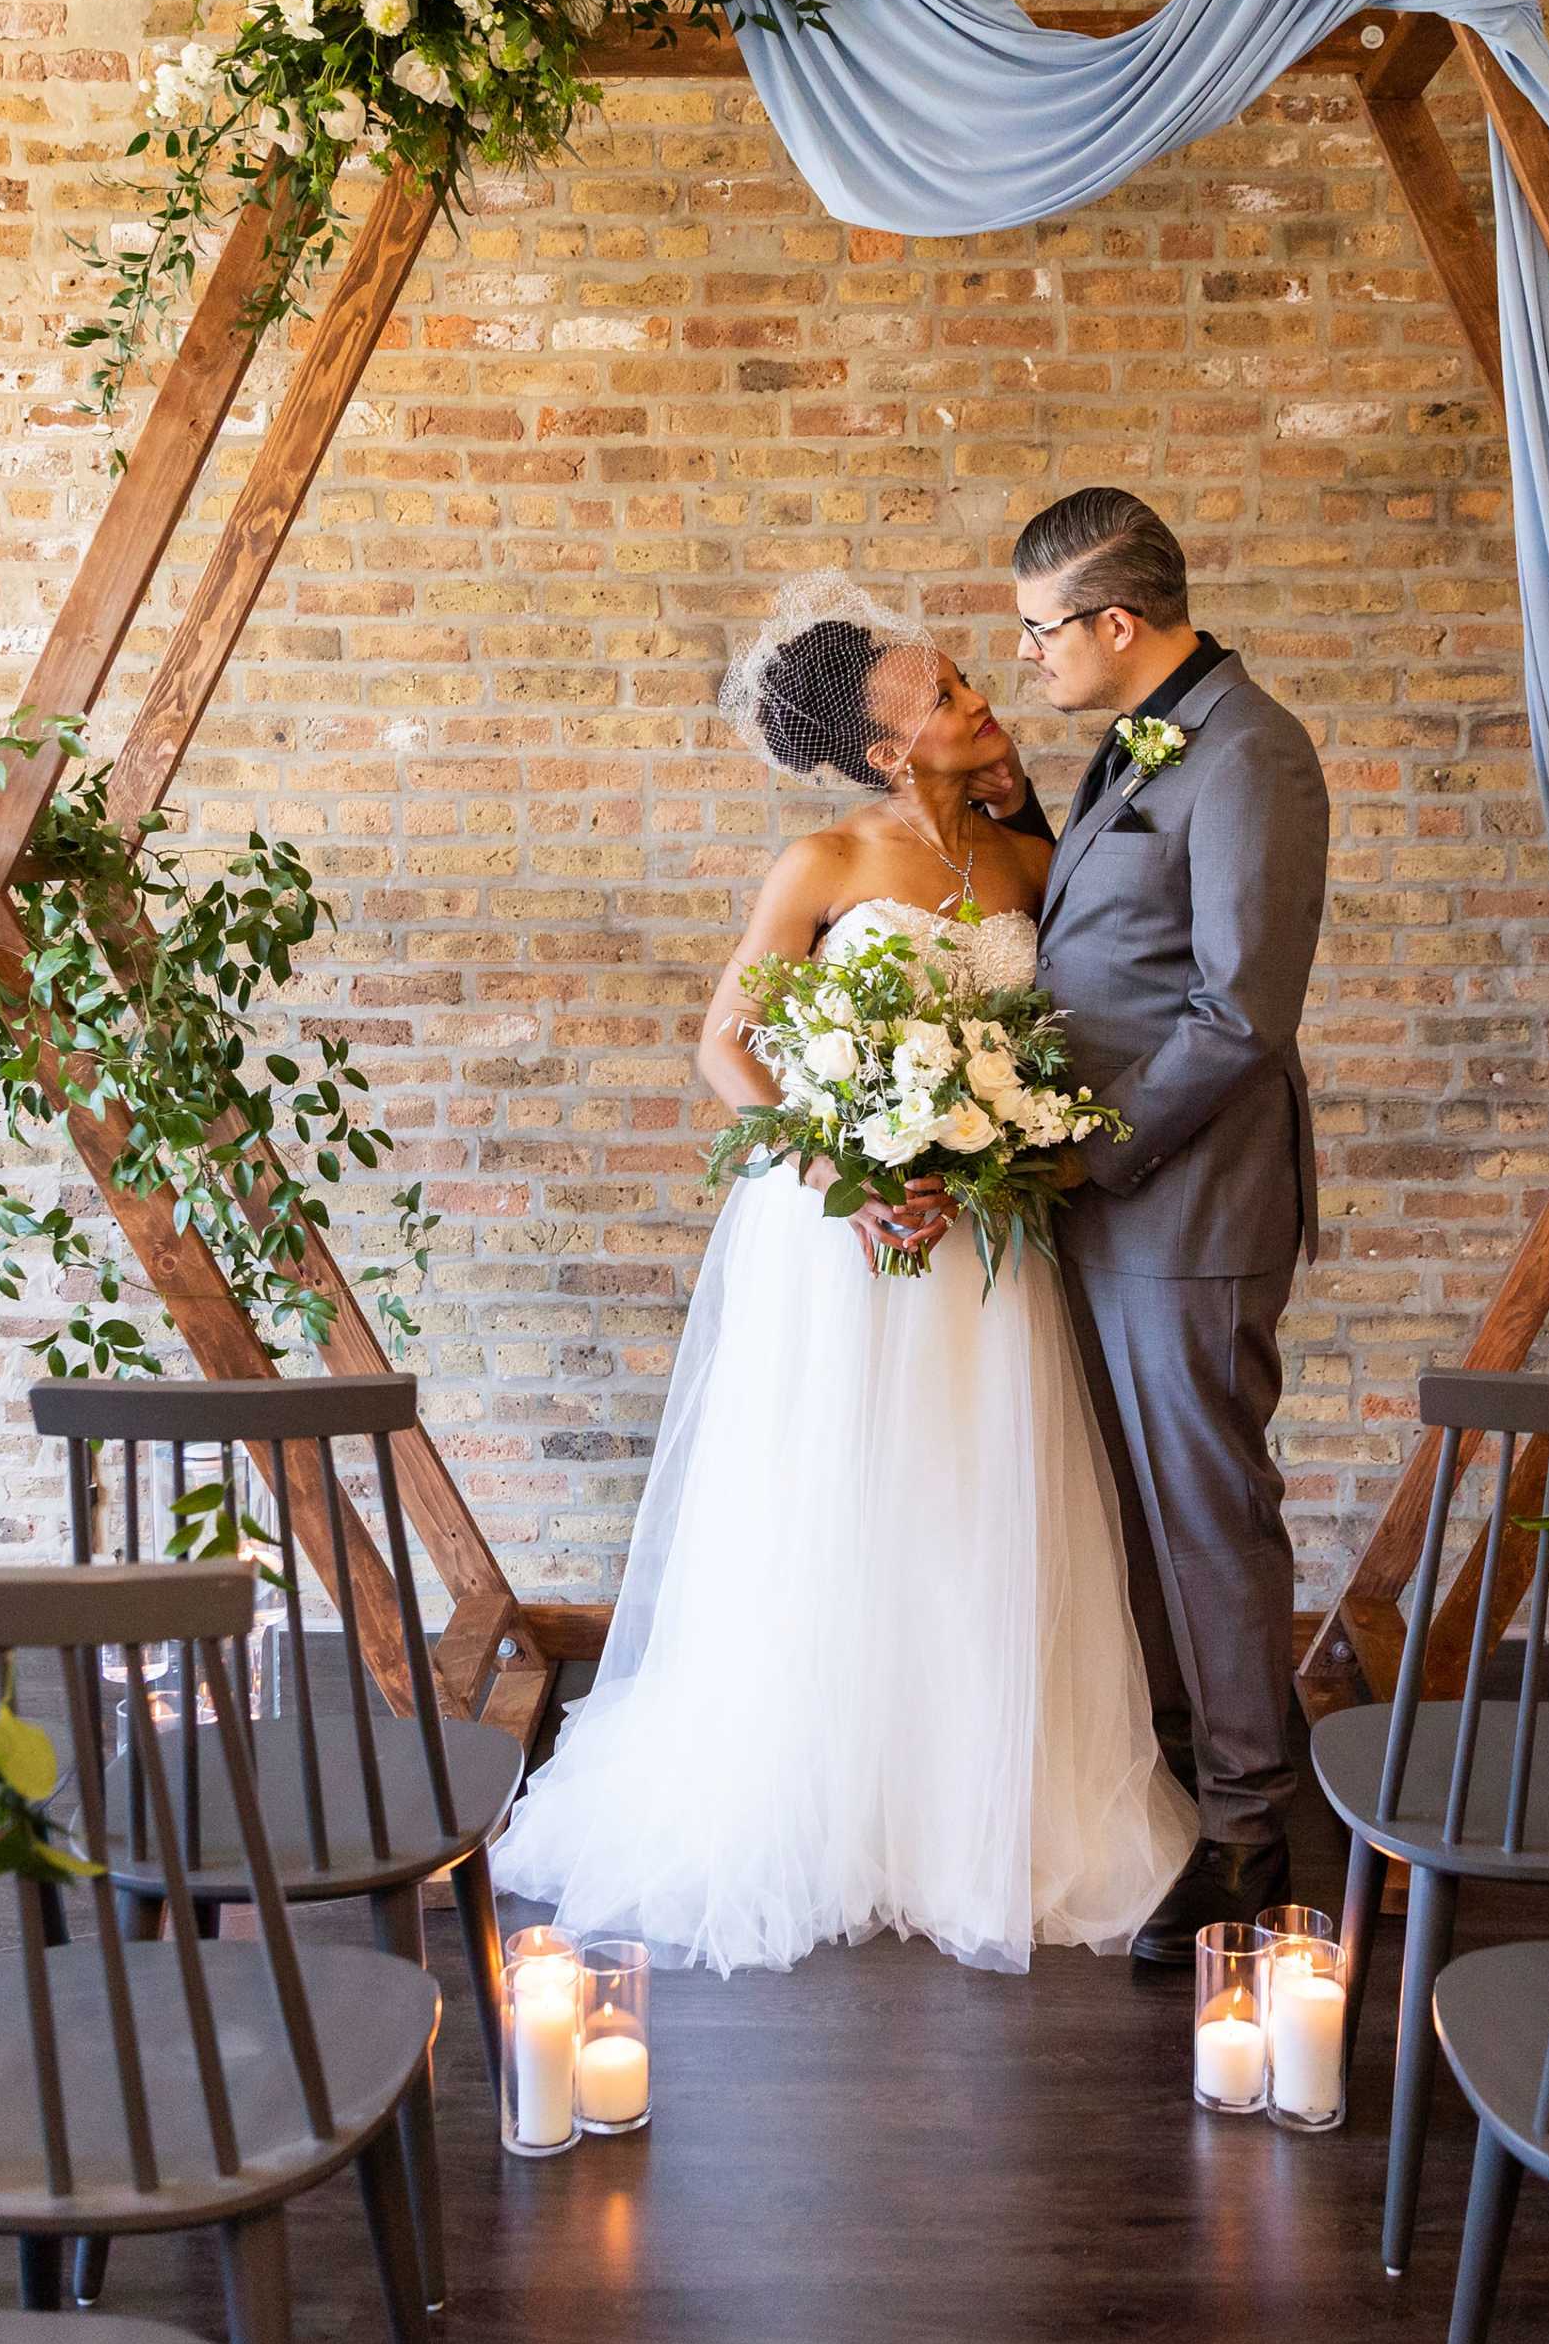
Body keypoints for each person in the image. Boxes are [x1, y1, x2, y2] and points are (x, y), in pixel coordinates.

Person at [487, 576, 1197, 1973]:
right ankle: (811, 1801)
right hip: (842, 1239)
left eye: (968, 683)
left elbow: (1074, 1030)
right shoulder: (821, 865)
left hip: (980, 1244)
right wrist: (840, 1179)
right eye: (946, 695)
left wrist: (1008, 1136)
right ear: (886, 752)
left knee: (970, 1495)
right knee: (827, 1500)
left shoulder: (1026, 867)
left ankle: (967, 1802)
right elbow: (726, 1051)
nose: (980, 698)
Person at [1006, 488, 1332, 1962]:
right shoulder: (1134, 746)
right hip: (1110, 1208)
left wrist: (1093, 1152)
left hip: (1185, 1206)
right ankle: (1190, 1783)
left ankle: (1256, 1833)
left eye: (1039, 631)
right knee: (1140, 1516)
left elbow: (1241, 1014)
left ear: (1114, 624)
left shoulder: (1253, 754)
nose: (1028, 658)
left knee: (1207, 1514)